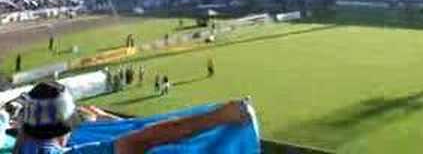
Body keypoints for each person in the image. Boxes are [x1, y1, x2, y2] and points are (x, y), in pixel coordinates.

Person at [13, 81, 249, 154]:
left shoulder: (20, 146)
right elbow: (142, 140)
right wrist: (218, 117)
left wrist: (107, 121)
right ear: (68, 126)